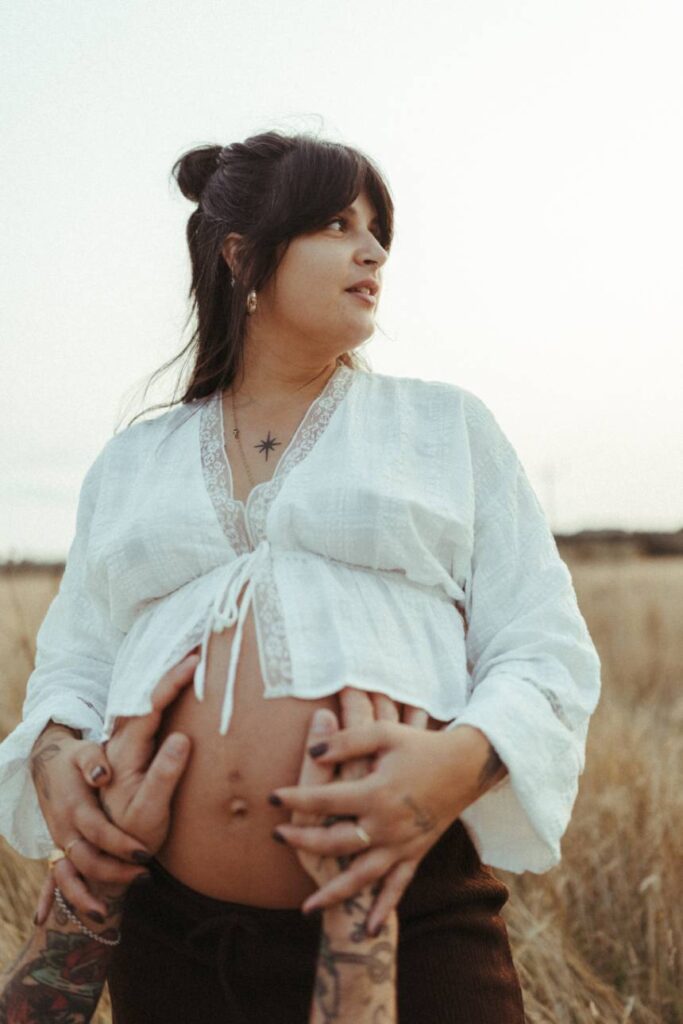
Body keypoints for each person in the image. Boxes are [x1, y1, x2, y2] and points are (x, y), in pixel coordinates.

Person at [0, 129, 602, 1022]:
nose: (373, 250)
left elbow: (543, 652)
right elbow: (76, 665)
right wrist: (55, 762)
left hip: (405, 907)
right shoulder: (135, 460)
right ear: (243, 256)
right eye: (334, 223)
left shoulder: (443, 429)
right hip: (173, 935)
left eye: (376, 228)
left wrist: (452, 767)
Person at [0, 656, 400, 1023]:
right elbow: (78, 650)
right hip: (163, 926)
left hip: (398, 908)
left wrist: (461, 757)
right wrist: (54, 739)